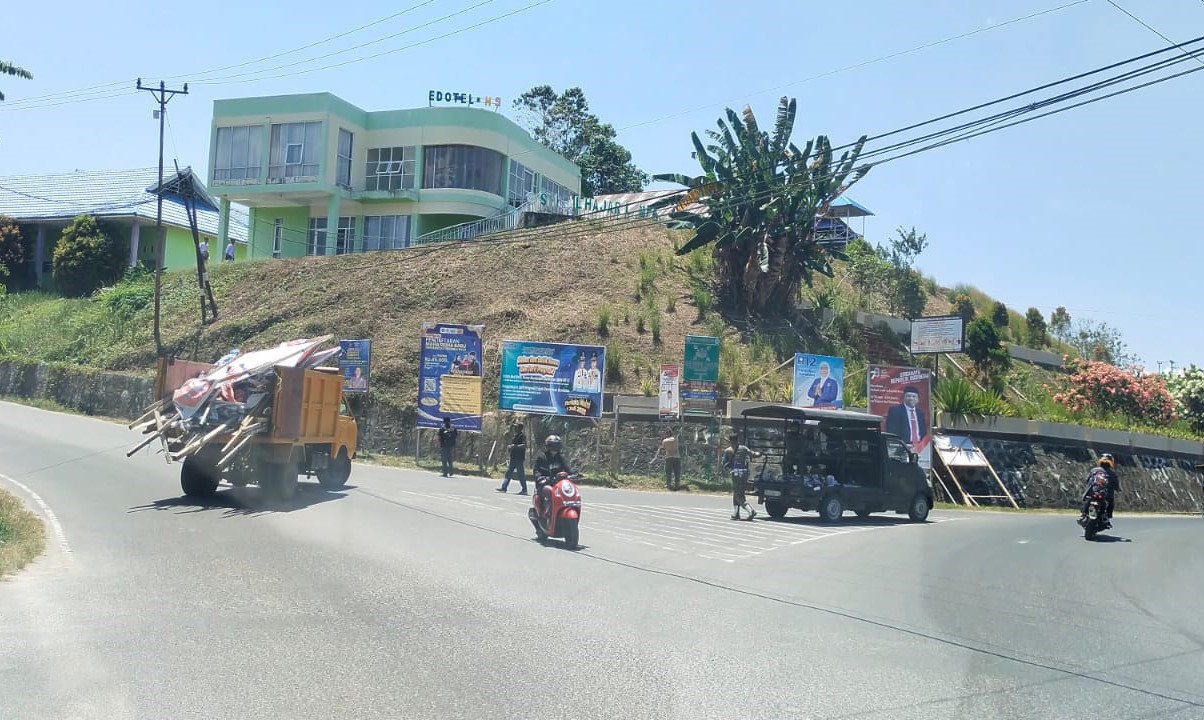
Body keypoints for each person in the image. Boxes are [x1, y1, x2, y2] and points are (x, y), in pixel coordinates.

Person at [722, 433, 762, 521]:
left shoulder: (728, 450)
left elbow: (724, 464)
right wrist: (759, 453)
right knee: (738, 493)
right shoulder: (744, 448)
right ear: (737, 440)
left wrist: (728, 467)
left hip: (736, 473)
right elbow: (753, 454)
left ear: (730, 440)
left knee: (738, 495)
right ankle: (736, 513)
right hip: (745, 473)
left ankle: (750, 510)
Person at [534, 435, 572, 518]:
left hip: (558, 483)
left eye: (557, 445)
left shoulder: (561, 458)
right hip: (545, 483)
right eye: (553, 445)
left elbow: (568, 469)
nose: (555, 448)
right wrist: (540, 477)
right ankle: (547, 513)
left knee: (568, 492)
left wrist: (572, 475)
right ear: (548, 446)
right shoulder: (542, 457)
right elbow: (536, 470)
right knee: (551, 491)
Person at [1080, 453, 1120, 528]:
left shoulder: (1094, 470)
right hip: (1105, 495)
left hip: (1092, 492)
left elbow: (1087, 480)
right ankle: (1107, 517)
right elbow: (1117, 486)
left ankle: (1083, 514)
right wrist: (1117, 489)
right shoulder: (1113, 474)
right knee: (1111, 503)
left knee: (1085, 499)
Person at [886, 386, 928, 453]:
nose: (911, 398)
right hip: (902, 447)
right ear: (904, 398)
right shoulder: (895, 411)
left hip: (920, 448)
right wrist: (902, 444)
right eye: (908, 396)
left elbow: (923, 432)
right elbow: (891, 431)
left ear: (918, 400)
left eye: (914, 396)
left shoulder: (920, 414)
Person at [497, 422, 528, 494]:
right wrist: (510, 448)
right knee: (508, 473)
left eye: (516, 427)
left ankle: (524, 489)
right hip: (513, 457)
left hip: (519, 458)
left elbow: (524, 445)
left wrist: (515, 446)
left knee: (521, 474)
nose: (515, 428)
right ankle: (504, 488)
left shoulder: (522, 436)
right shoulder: (515, 436)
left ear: (520, 428)